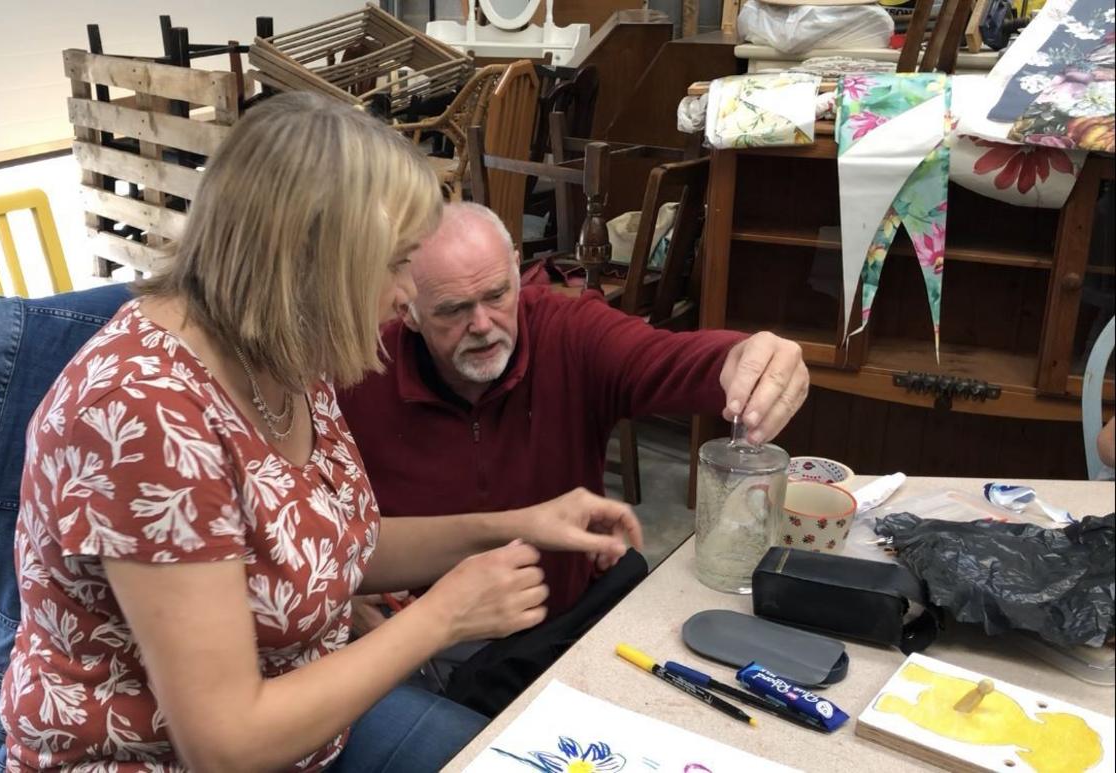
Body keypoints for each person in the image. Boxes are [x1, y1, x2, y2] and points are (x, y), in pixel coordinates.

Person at [0, 93, 642, 772]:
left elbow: (332, 545)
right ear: (313, 263)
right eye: (396, 263)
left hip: (310, 731)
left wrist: (522, 520)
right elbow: (225, 742)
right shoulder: (144, 418)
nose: (405, 295)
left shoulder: (281, 354)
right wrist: (441, 617)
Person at [339, 202, 808, 627]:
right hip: (416, 641)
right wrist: (338, 596)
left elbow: (664, 358)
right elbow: (309, 528)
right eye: (453, 310)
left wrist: (744, 357)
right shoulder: (356, 372)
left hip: (559, 625)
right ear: (408, 310)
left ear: (516, 270)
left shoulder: (568, 333)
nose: (482, 325)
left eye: (498, 295)